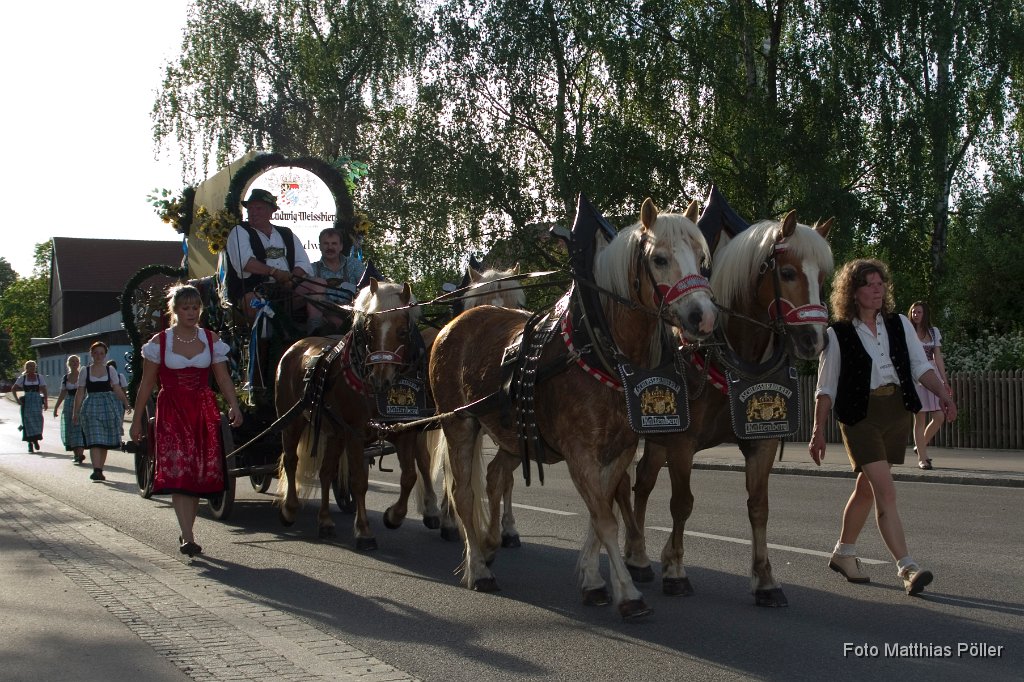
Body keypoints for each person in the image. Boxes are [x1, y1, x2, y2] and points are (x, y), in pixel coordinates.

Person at [809, 259, 957, 596]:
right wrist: (818, 430)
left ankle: (843, 553)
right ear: (853, 292)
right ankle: (907, 567)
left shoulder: (900, 323)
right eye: (869, 284)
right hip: (860, 417)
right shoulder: (837, 334)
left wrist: (944, 395)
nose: (878, 290)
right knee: (885, 490)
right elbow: (825, 388)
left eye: (880, 284)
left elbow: (921, 367)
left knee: (866, 487)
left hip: (896, 412)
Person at [129, 284, 243, 558]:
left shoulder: (210, 339)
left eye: (195, 307)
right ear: (175, 310)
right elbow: (146, 384)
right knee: (179, 470)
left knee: (196, 473)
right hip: (172, 411)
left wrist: (234, 405)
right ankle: (188, 537)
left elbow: (223, 377)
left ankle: (186, 531)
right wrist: (136, 420)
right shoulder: (159, 343)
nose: (191, 313)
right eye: (185, 308)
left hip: (202, 410)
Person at [223, 188, 314, 321]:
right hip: (253, 289)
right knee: (254, 302)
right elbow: (246, 262)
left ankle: (315, 328)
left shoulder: (286, 233)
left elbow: (303, 263)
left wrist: (290, 280)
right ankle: (265, 333)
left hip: (287, 290)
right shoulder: (239, 231)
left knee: (317, 285)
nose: (253, 212)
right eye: (250, 209)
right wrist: (274, 272)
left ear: (271, 211)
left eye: (258, 208)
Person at [72, 342, 132, 481]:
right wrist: (76, 412)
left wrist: (126, 403)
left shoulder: (110, 370)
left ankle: (100, 469)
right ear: (91, 354)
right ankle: (96, 470)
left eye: (101, 353)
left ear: (105, 355)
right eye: (96, 353)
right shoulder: (85, 371)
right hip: (91, 406)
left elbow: (117, 388)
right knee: (95, 439)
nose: (98, 356)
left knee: (104, 440)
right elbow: (80, 392)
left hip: (108, 407)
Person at [908, 301, 950, 470]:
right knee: (920, 418)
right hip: (916, 375)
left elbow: (938, 357)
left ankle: (920, 446)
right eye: (913, 312)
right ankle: (922, 458)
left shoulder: (933, 331)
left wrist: (944, 380)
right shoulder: (908, 332)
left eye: (919, 312)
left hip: (932, 374)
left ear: (925, 314)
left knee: (939, 416)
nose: (915, 315)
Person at [305, 227, 362, 334]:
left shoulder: (354, 264)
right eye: (326, 244)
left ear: (341, 246)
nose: (330, 247)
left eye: (334, 244)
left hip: (354, 314)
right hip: (325, 317)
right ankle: (314, 335)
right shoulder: (312, 269)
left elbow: (366, 287)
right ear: (320, 246)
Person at [52, 354, 87, 463]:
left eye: (76, 361)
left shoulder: (83, 375)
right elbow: (62, 393)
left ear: (79, 363)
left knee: (80, 428)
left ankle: (80, 453)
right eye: (72, 361)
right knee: (70, 428)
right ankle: (76, 454)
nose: (74, 363)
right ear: (68, 364)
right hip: (68, 404)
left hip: (81, 403)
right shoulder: (65, 378)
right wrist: (56, 407)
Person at [12, 360, 47, 453]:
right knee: (27, 421)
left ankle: (35, 439)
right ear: (26, 368)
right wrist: (17, 400)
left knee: (38, 420)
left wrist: (46, 402)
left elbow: (44, 389)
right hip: (27, 401)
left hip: (37, 400)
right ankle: (30, 443)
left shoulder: (39, 377)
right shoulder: (23, 378)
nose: (32, 368)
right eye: (30, 366)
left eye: (33, 366)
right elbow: (13, 388)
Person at [106, 359, 130, 448]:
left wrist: (125, 401)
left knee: (118, 420)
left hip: (118, 400)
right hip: (108, 401)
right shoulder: (105, 378)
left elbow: (124, 389)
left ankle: (118, 439)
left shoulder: (120, 376)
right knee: (109, 420)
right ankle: (111, 439)